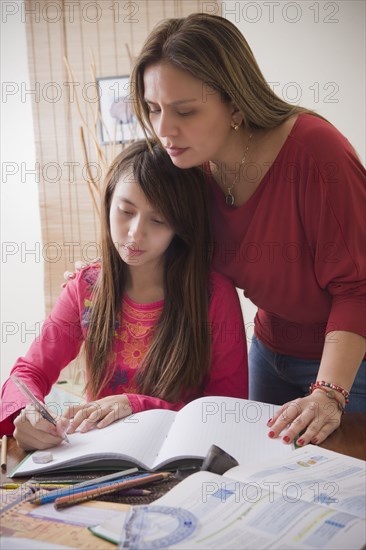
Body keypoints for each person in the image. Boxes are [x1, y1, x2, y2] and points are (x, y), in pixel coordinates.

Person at [130, 13, 366, 446]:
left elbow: (358, 288)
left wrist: (329, 394)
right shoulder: (189, 165)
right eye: (153, 109)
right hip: (269, 348)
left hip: (350, 361)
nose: (163, 130)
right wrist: (103, 272)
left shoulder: (315, 152)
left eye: (185, 111)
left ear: (236, 104)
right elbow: (166, 252)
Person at [0, 140, 248, 450]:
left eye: (158, 220)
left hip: (179, 457)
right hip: (98, 457)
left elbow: (229, 412)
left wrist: (137, 405)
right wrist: (25, 415)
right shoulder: (86, 287)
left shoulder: (213, 295)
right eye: (125, 211)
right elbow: (29, 371)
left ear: (180, 228)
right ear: (107, 204)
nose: (135, 233)